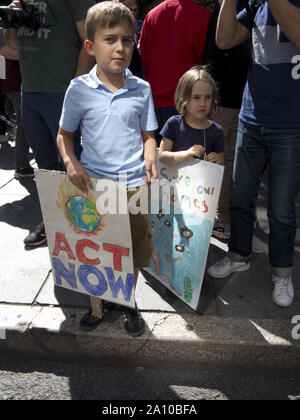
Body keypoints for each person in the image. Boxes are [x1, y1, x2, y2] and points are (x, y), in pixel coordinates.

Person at [57, 1, 158, 337]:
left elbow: (148, 136)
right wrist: (71, 162)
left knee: (131, 251)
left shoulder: (141, 89)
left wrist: (151, 154)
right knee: (97, 250)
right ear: (90, 46)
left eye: (127, 40)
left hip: (133, 187)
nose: (120, 47)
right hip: (94, 188)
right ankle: (99, 305)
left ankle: (129, 303)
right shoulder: (79, 90)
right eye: (110, 39)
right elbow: (64, 135)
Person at [207, 0, 300, 308]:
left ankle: (282, 271)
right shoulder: (257, 7)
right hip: (251, 119)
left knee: (281, 208)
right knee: (238, 196)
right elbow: (224, 39)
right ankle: (238, 255)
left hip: (290, 124)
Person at [4, 0, 95, 246]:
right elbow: (13, 44)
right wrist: (12, 19)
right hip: (30, 92)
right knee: (44, 165)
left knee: (71, 162)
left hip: (61, 92)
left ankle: (83, 224)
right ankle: (54, 220)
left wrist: (76, 87)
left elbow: (90, 44)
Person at [201, 0, 251, 240]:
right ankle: (223, 217)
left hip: (239, 101)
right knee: (224, 162)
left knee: (223, 162)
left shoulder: (242, 6)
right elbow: (214, 50)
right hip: (230, 99)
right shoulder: (230, 5)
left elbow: (212, 53)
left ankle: (223, 219)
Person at [139, 0, 214, 145]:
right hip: (190, 103)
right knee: (190, 163)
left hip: (155, 103)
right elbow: (206, 65)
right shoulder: (203, 15)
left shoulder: (152, 15)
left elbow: (145, 60)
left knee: (157, 162)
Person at [159, 66, 224, 166]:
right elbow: (162, 157)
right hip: (176, 180)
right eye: (196, 97)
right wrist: (186, 154)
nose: (203, 103)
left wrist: (217, 160)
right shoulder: (174, 123)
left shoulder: (216, 130)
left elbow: (220, 162)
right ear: (184, 97)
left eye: (208, 97)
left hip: (204, 180)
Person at [0, 28, 33, 178]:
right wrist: (39, 53)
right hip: (14, 81)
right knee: (25, 119)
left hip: (19, 80)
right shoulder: (6, 24)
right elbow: (5, 50)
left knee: (25, 119)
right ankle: (22, 166)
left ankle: (22, 165)